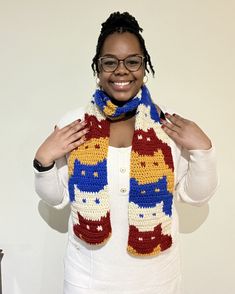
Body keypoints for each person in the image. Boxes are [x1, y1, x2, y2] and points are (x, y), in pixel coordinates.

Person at [33, 11, 218, 294]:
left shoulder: (166, 126)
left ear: (144, 68)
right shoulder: (75, 124)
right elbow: (57, 199)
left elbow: (196, 196)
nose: (121, 71)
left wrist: (203, 149)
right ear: (97, 68)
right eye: (110, 62)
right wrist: (43, 160)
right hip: (87, 279)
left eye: (132, 61)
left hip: (157, 280)